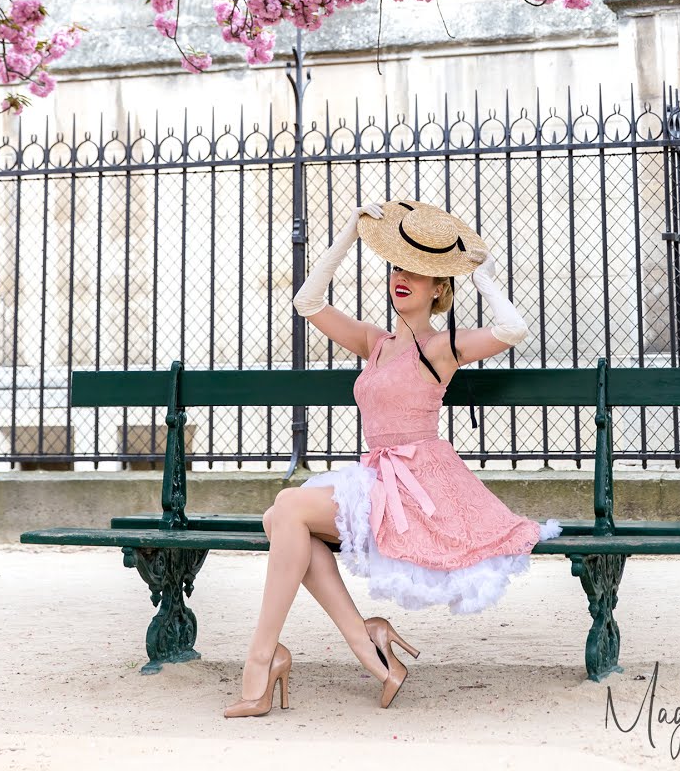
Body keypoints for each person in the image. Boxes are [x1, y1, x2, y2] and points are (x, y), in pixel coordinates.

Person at [223, 198, 561, 718]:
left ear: (438, 289)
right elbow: (307, 302)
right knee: (282, 517)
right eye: (398, 267)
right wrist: (349, 234)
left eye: (418, 273)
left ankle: (263, 660)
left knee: (286, 509)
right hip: (378, 475)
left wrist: (483, 274)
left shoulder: (441, 346)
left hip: (417, 484)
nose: (402, 277)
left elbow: (512, 331)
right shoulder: (374, 342)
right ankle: (368, 642)